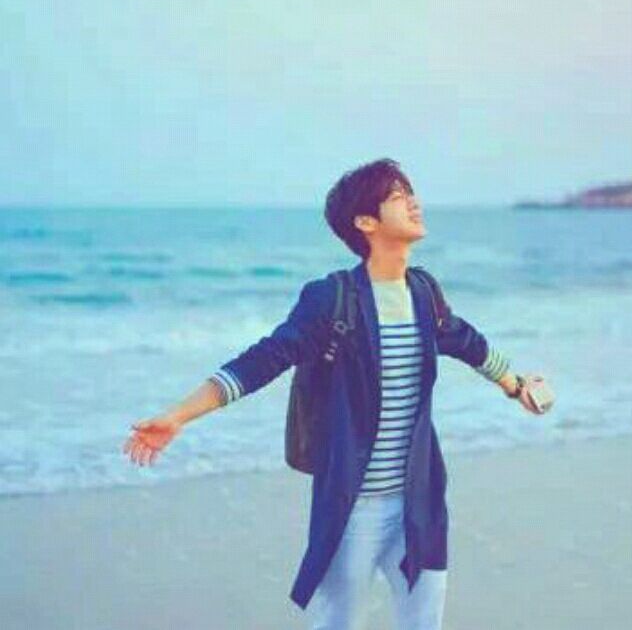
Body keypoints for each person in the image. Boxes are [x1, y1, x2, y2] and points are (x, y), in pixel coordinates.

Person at [123, 158, 553, 629]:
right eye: (397, 197)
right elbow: (264, 359)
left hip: (420, 501)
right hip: (353, 509)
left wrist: (517, 386)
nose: (413, 203)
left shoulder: (423, 292)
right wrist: (178, 416)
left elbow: (465, 341)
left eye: (410, 193)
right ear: (365, 222)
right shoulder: (332, 298)